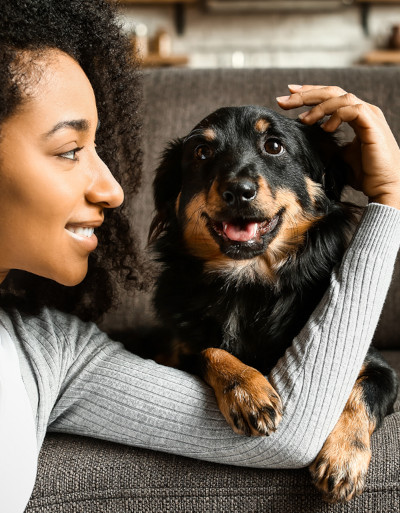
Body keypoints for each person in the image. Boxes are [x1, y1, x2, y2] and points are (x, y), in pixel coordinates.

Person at [0, 1, 399, 511]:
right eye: (69, 149)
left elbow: (290, 434)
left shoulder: (54, 353)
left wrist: (389, 201)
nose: (115, 191)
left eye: (98, 148)